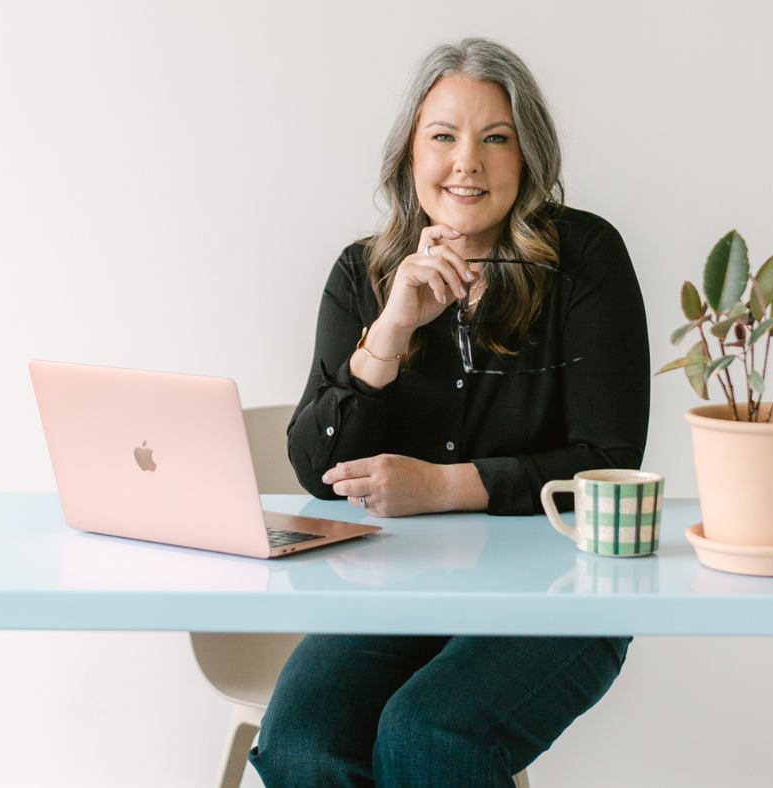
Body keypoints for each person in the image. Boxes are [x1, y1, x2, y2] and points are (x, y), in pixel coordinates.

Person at [249, 37, 650, 787]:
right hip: (398, 589)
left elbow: (608, 461)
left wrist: (443, 486)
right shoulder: (362, 272)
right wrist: (392, 330)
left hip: (563, 595)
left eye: (495, 138)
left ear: (527, 155)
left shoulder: (586, 259)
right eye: (443, 136)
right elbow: (314, 470)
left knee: (429, 735)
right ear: (410, 153)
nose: (467, 161)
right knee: (302, 744)